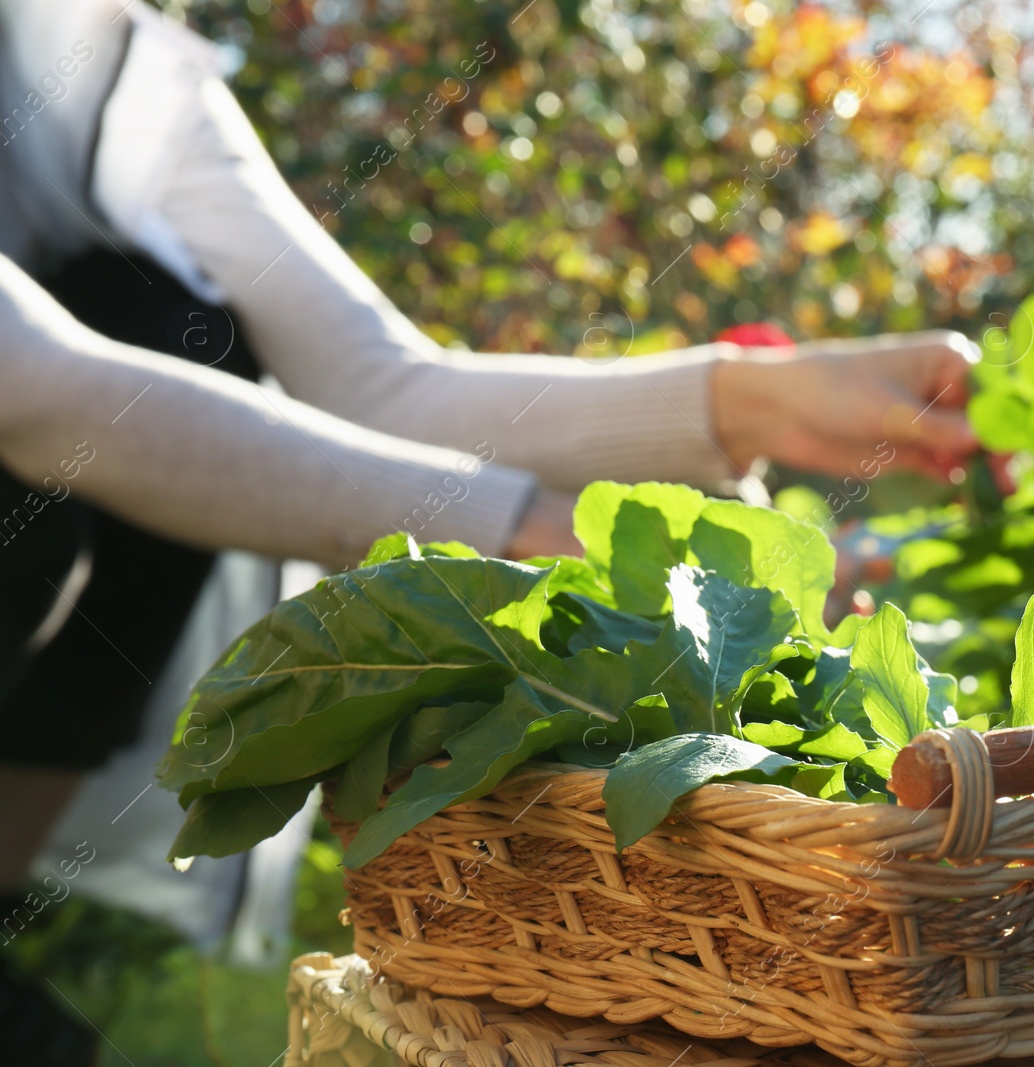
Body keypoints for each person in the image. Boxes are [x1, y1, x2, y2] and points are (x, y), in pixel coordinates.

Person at [0, 0, 979, 1055]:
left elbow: (378, 384)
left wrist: (750, 400)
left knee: (166, 325)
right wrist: (540, 540)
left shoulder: (118, 56)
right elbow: (44, 396)